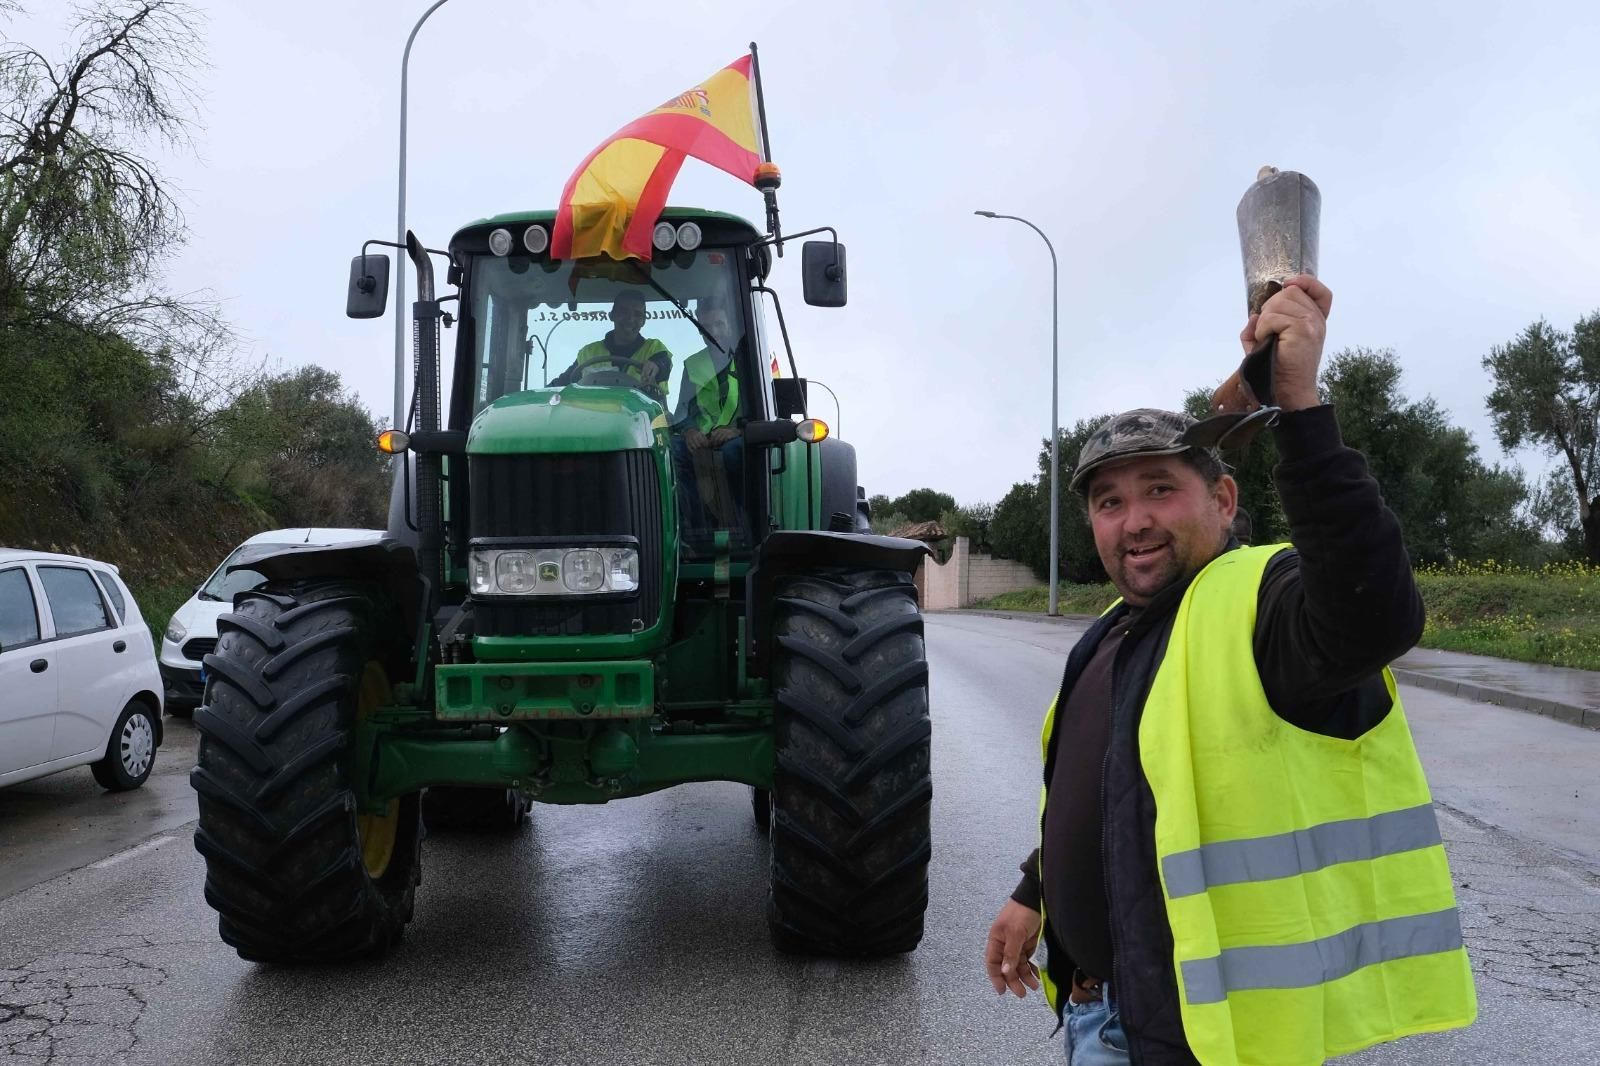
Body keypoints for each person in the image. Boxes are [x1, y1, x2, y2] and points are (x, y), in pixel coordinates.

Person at [983, 276, 1475, 1066]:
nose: (1134, 519)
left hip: (1206, 1040)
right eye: (1109, 501)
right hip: (1097, 1013)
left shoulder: (1263, 601)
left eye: (1159, 490)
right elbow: (1112, 792)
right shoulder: (1108, 635)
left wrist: (1302, 413)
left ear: (1222, 496)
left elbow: (1371, 615)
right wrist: (1033, 891)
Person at [670, 302, 744, 530]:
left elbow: (764, 410)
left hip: (740, 435)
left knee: (734, 454)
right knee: (672, 452)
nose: (714, 331)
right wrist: (690, 431)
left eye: (719, 324)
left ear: (730, 326)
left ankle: (742, 523)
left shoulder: (751, 361)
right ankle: (693, 525)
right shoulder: (692, 364)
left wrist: (736, 431)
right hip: (703, 439)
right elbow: (682, 409)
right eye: (707, 326)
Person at [550, 290, 672, 403]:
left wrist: (656, 365)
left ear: (644, 320)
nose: (630, 319)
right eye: (623, 312)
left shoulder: (654, 349)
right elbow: (562, 385)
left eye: (637, 314)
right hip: (594, 419)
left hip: (647, 421)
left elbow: (663, 362)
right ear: (611, 315)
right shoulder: (588, 353)